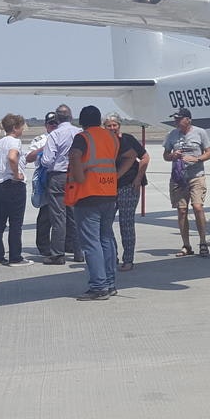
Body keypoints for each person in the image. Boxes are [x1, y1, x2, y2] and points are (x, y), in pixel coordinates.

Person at [66, 105, 120, 300]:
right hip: (109, 192)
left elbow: (74, 155)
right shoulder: (111, 137)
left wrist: (79, 176)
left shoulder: (83, 137)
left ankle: (99, 286)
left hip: (89, 194)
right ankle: (110, 283)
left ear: (82, 122)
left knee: (91, 243)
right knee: (106, 239)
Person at [162, 106, 210, 256]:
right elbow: (165, 155)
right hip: (179, 178)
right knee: (182, 210)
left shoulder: (200, 133)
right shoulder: (172, 135)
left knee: (198, 207)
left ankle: (203, 242)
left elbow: (209, 153)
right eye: (175, 119)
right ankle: (186, 245)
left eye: (179, 119)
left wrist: (197, 159)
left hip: (196, 176)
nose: (176, 121)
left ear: (188, 120)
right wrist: (173, 156)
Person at [104, 114, 149, 272]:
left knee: (126, 223)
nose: (112, 128)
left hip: (129, 186)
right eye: (109, 125)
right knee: (105, 223)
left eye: (114, 125)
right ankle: (112, 255)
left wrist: (138, 178)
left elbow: (145, 158)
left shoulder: (128, 140)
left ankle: (128, 259)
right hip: (110, 187)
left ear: (119, 126)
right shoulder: (104, 142)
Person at [37, 103, 81, 264]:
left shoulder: (55, 135)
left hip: (58, 176)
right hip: (76, 176)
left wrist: (41, 160)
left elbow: (47, 160)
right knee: (75, 215)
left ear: (56, 118)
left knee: (58, 217)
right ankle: (79, 252)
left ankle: (57, 254)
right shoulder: (79, 132)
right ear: (71, 116)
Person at [0, 113, 29, 266]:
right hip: (12, 185)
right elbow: (12, 157)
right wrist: (16, 173)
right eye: (21, 127)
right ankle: (15, 257)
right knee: (15, 223)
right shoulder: (14, 142)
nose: (23, 130)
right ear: (15, 128)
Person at [24, 111, 59, 255]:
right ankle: (44, 245)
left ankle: (67, 243)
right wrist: (44, 148)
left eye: (56, 123)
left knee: (68, 213)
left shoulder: (65, 136)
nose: (54, 126)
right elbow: (29, 157)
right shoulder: (40, 139)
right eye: (51, 123)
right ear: (46, 125)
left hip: (63, 176)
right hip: (46, 177)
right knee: (46, 213)